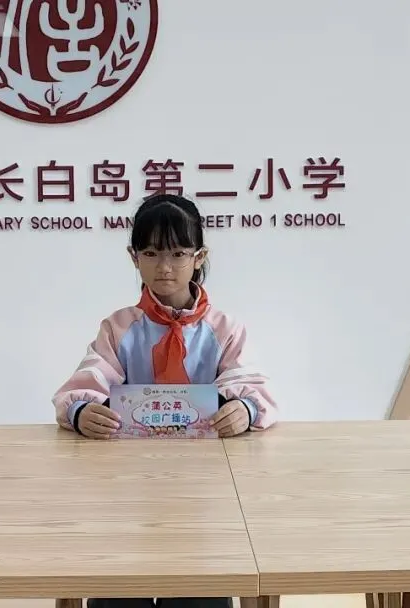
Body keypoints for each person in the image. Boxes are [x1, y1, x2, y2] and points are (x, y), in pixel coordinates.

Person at [51, 193, 279, 608]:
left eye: (178, 253)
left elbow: (254, 390)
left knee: (198, 593)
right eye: (152, 253)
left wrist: (243, 411)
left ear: (199, 256)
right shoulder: (119, 327)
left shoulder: (224, 329)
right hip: (128, 489)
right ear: (133, 257)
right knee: (121, 593)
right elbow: (84, 384)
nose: (165, 266)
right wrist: (82, 412)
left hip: (206, 491)